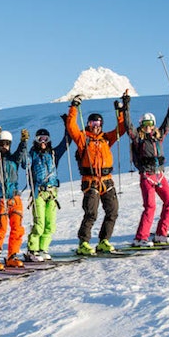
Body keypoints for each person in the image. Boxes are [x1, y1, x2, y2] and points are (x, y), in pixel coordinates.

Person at [64, 92, 127, 255]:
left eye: (98, 122)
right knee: (91, 213)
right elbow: (71, 127)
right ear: (89, 123)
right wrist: (74, 107)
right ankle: (83, 243)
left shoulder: (106, 138)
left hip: (107, 181)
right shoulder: (83, 138)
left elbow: (121, 129)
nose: (95, 125)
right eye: (92, 122)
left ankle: (104, 241)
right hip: (90, 181)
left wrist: (121, 112)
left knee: (112, 211)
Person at [127, 93, 169, 246]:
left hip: (160, 175)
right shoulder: (138, 138)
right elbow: (128, 126)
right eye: (145, 124)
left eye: (150, 123)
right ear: (141, 125)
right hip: (147, 176)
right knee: (150, 206)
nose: (148, 126)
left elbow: (168, 122)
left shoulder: (158, 136)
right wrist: (126, 106)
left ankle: (161, 233)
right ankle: (141, 238)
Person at [0, 127, 30, 269]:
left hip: (14, 198)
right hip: (1, 198)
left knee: (17, 227)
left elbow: (20, 153)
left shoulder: (13, 159)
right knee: (2, 228)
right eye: (2, 143)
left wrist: (23, 142)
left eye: (7, 144)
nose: (5, 146)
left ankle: (12, 255)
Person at [25, 122, 70, 260]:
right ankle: (32, 250)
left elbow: (66, 142)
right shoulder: (32, 154)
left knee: (50, 224)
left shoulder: (53, 154)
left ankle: (43, 248)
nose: (43, 142)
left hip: (52, 192)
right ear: (36, 140)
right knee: (39, 223)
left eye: (46, 139)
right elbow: (23, 163)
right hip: (38, 192)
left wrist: (67, 125)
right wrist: (23, 145)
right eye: (40, 139)